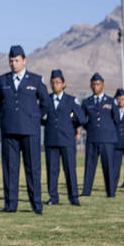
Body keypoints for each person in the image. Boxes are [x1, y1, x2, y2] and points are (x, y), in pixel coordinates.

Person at [0, 45, 50, 215]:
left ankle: (36, 204)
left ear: (24, 61)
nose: (13, 64)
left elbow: (45, 103)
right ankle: (10, 205)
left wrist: (35, 117)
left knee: (33, 168)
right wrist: (7, 115)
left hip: (30, 130)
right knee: (10, 168)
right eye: (11, 61)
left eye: (16, 60)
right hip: (9, 130)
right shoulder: (2, 81)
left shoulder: (36, 80)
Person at [41, 69, 86, 206]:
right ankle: (53, 197)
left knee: (69, 169)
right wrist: (47, 123)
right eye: (52, 82)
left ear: (64, 84)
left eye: (58, 82)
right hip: (51, 140)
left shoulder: (71, 100)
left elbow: (82, 118)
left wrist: (70, 126)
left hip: (67, 139)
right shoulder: (46, 99)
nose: (55, 85)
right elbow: (38, 116)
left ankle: (74, 197)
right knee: (52, 170)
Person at [81, 73, 119, 197]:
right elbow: (83, 120)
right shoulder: (87, 102)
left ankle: (110, 192)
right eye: (93, 84)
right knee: (89, 166)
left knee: (108, 166)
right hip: (92, 138)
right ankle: (86, 192)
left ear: (103, 85)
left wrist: (109, 132)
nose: (95, 87)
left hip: (107, 139)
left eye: (98, 84)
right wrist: (91, 128)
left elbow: (116, 120)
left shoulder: (111, 101)